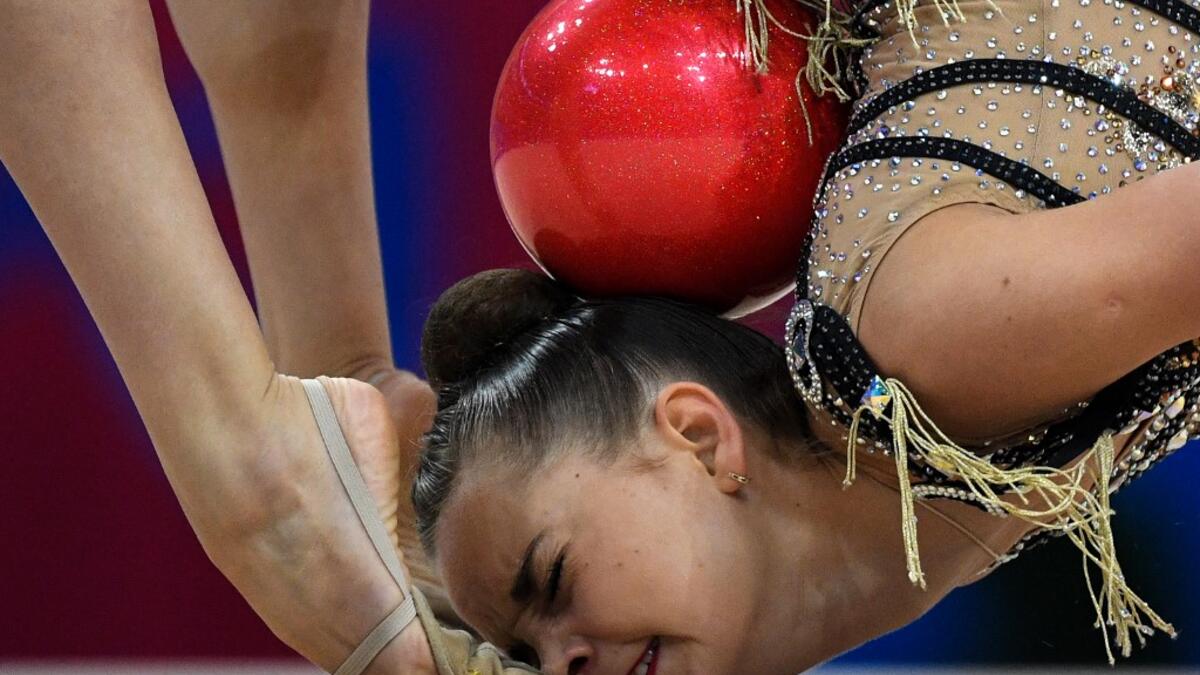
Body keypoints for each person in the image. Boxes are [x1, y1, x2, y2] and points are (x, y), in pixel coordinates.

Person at [1, 3, 1197, 675]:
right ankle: (319, 397)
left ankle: (258, 461)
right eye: (529, 655)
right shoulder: (937, 483)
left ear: (693, 433)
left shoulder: (924, 336)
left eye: (551, 581)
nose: (562, 664)